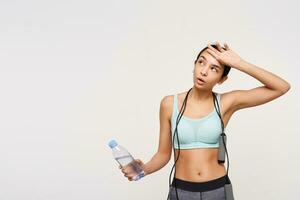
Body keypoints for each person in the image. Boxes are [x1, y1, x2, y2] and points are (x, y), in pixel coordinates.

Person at [119, 42, 291, 200]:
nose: (204, 71)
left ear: (222, 79)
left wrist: (239, 63)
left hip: (217, 190)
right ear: (194, 65)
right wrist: (144, 169)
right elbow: (164, 154)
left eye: (214, 69)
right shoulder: (169, 104)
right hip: (181, 191)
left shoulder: (226, 103)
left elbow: (281, 87)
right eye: (201, 62)